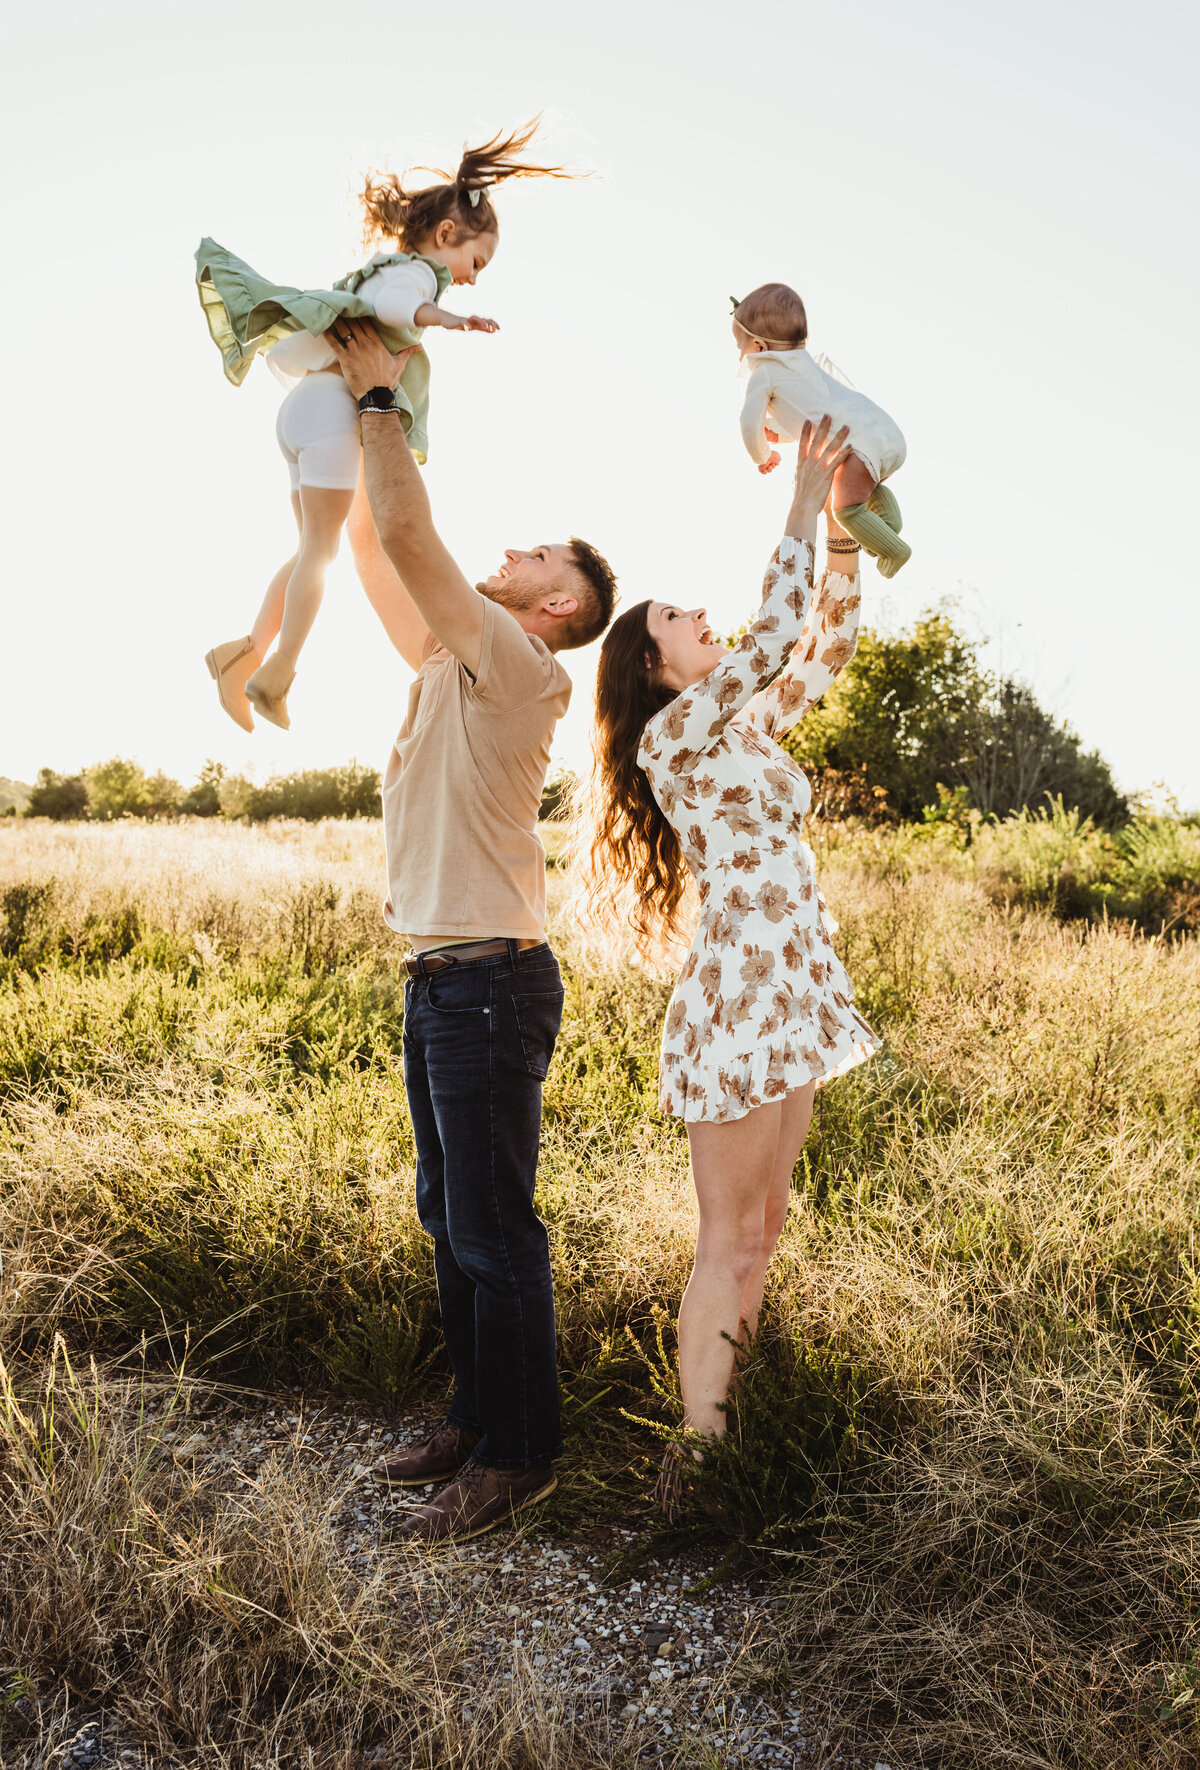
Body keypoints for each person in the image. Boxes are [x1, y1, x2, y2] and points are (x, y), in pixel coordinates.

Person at [321, 317, 617, 1544]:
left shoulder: (522, 666)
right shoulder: (454, 659)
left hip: (492, 986)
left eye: (536, 550)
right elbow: (374, 547)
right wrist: (335, 410)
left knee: (495, 1229)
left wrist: (387, 398)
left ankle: (517, 1454)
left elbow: (411, 533)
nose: (510, 548)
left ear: (554, 604)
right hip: (446, 981)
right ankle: (474, 1415)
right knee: (451, 1219)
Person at [581, 417, 880, 1509]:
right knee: (728, 1235)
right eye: (677, 618)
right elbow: (768, 641)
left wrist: (842, 532)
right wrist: (798, 502)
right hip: (739, 1003)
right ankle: (694, 1464)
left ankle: (728, 1425)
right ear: (653, 667)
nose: (703, 617)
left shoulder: (742, 732)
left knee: (767, 1227)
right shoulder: (674, 739)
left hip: (790, 989)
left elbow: (821, 651)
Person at [198, 122, 575, 731]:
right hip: (330, 413)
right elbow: (397, 307)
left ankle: (240, 655)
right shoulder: (416, 276)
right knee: (322, 553)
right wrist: (448, 318)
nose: (473, 275)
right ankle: (275, 675)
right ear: (446, 234)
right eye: (475, 261)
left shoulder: (386, 266)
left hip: (305, 410)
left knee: (309, 551)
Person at [734, 283, 910, 576]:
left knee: (846, 510)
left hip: (860, 446)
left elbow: (748, 422)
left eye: (739, 346)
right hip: (882, 430)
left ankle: (895, 551)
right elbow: (810, 418)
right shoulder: (806, 365)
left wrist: (763, 454)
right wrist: (780, 434)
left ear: (759, 347)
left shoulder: (763, 370)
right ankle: (888, 527)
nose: (740, 355)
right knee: (864, 483)